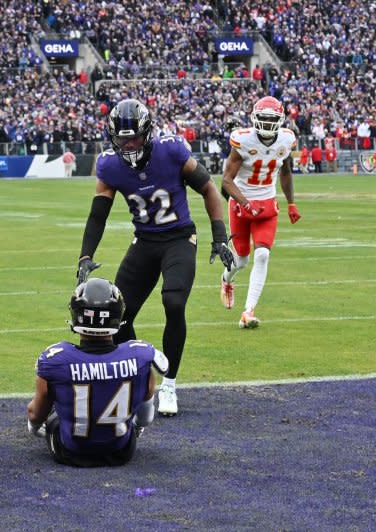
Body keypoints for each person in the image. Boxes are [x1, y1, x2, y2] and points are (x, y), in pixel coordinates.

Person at [76, 99, 234, 417]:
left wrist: (219, 237)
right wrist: (85, 255)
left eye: (134, 137)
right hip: (144, 242)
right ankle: (140, 373)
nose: (129, 144)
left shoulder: (171, 150)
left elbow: (208, 189)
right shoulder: (109, 165)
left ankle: (169, 384)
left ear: (147, 133)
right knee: (116, 317)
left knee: (173, 303)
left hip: (179, 238)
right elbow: (97, 216)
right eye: (123, 139)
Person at [27, 278, 168, 467]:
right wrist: (137, 426)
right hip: (121, 451)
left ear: (76, 314)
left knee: (55, 402)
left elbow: (35, 414)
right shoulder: (140, 355)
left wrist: (35, 428)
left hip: (70, 452)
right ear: (118, 315)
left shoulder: (56, 359)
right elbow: (145, 418)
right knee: (143, 376)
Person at [220, 96, 301, 328]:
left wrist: (291, 203)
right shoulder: (242, 141)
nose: (266, 124)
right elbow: (226, 181)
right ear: (255, 119)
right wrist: (246, 203)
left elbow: (285, 172)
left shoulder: (286, 139)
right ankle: (226, 279)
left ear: (280, 120)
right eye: (263, 119)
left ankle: (248, 311)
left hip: (266, 204)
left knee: (263, 254)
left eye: (271, 119)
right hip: (241, 203)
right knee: (242, 259)